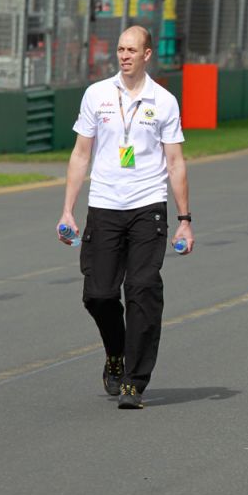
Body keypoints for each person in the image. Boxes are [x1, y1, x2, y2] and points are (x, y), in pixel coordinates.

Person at [57, 25, 193, 410]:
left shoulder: (164, 101)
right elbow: (81, 154)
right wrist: (68, 208)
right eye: (120, 49)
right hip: (104, 206)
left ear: (148, 54)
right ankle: (115, 352)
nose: (124, 56)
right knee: (98, 294)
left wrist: (184, 218)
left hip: (148, 207)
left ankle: (134, 380)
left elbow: (175, 161)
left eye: (132, 49)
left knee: (142, 290)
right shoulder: (97, 95)